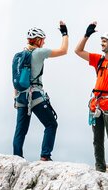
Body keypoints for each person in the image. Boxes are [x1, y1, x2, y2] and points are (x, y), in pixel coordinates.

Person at [75, 22, 108, 179]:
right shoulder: (99, 60)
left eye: (105, 41)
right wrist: (87, 35)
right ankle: (100, 170)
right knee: (97, 140)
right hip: (96, 105)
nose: (102, 43)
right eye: (102, 41)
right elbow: (78, 50)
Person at [12, 22, 68, 161]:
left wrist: (15, 99)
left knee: (21, 131)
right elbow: (63, 50)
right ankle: (45, 156)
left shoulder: (18, 56)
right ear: (37, 40)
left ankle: (17, 158)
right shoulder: (39, 52)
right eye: (42, 40)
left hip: (20, 96)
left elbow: (15, 79)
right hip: (35, 94)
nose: (44, 42)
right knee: (51, 124)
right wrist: (64, 33)